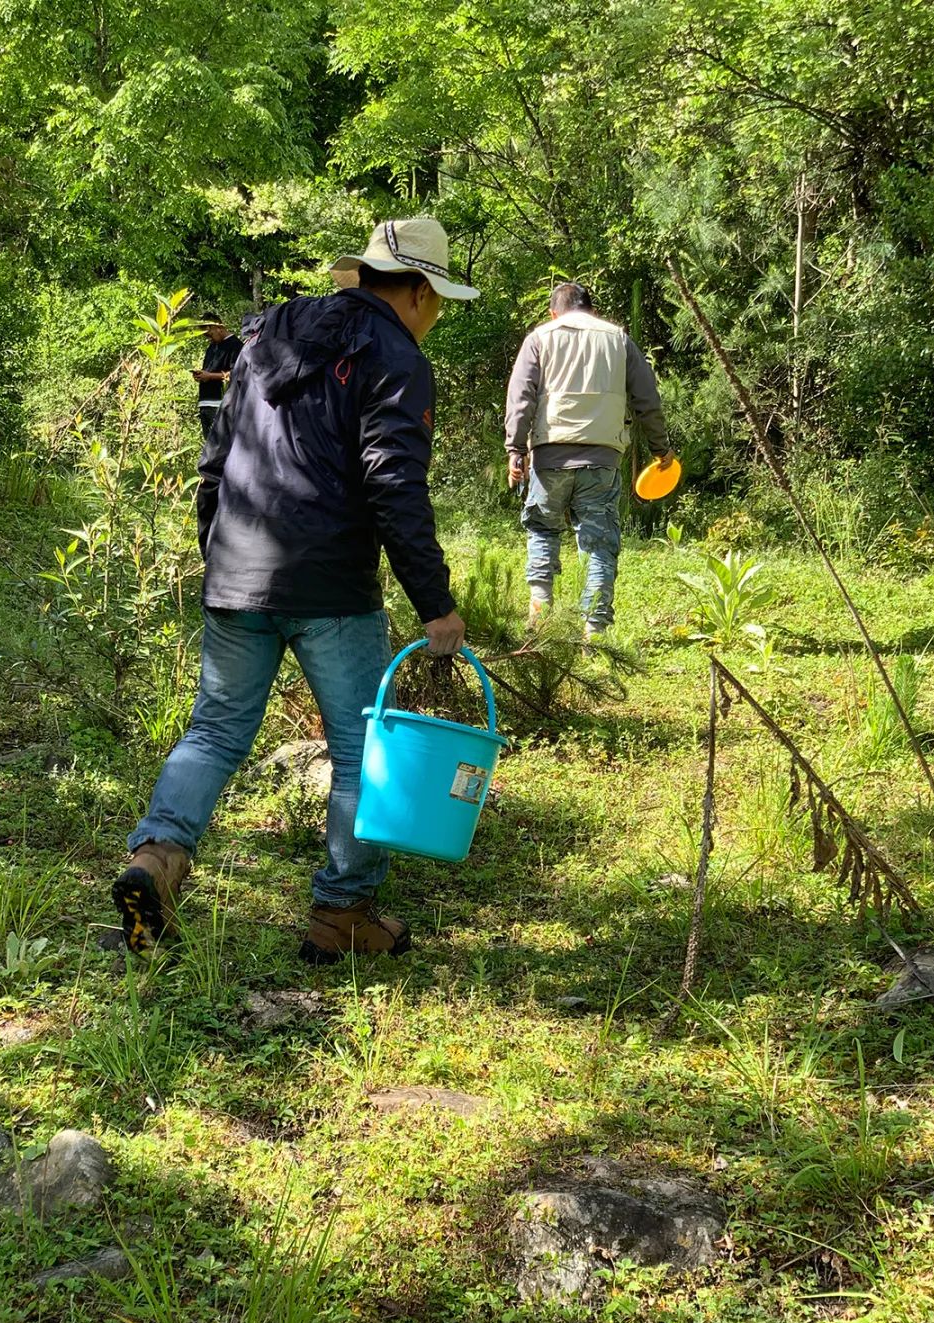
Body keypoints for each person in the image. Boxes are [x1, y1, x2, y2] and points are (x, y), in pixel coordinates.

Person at [113, 218, 477, 963]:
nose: (434, 313)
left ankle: (156, 857)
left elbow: (215, 457)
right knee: (358, 748)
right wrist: (435, 603)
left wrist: (218, 554)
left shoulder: (265, 337)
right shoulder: (394, 355)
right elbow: (394, 483)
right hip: (331, 588)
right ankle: (342, 915)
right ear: (415, 291)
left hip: (236, 567)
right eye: (436, 297)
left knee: (214, 729)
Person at [504, 282, 676, 637]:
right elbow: (648, 400)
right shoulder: (618, 339)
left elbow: (521, 399)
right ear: (591, 310)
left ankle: (540, 616)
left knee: (543, 530)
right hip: (602, 460)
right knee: (599, 544)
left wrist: (515, 449)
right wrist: (661, 450)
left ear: (554, 312)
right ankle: (594, 632)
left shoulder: (539, 337)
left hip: (549, 457)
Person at [192, 313, 242, 439]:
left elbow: (238, 374)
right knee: (208, 444)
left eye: (210, 335)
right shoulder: (212, 347)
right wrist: (201, 375)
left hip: (221, 403)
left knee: (219, 445)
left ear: (219, 327)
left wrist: (210, 376)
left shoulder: (236, 345)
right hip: (205, 402)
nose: (209, 339)